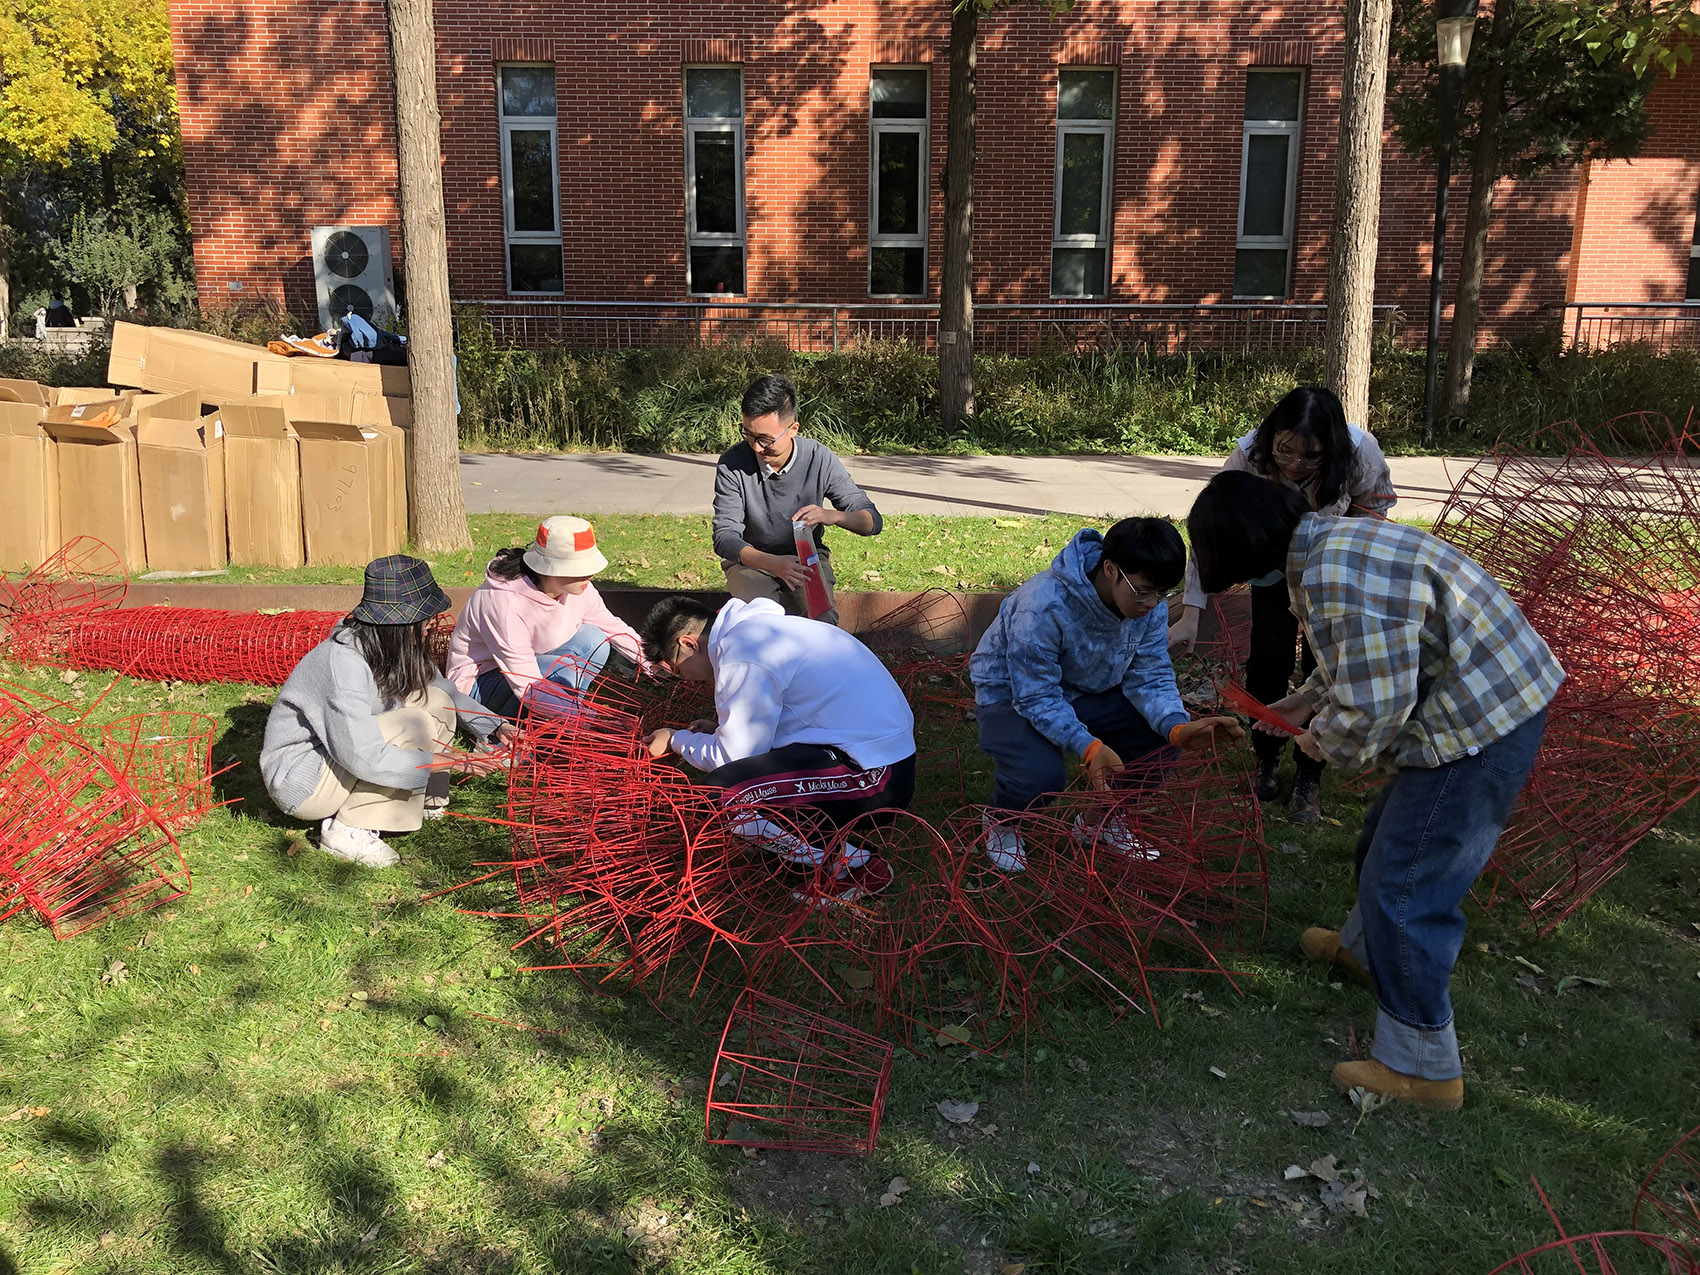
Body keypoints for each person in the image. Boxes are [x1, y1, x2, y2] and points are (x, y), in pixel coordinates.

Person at [1188, 470, 1563, 1110]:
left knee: (1408, 887)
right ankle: (1365, 954)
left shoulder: (1334, 579)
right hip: (1482, 696)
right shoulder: (1327, 546)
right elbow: (1357, 665)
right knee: (1383, 844)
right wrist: (1294, 706)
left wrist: (1323, 743)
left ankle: (1425, 1067)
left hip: (1483, 723)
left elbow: (1373, 705)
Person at [1169, 386, 1396, 825]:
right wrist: (1191, 611)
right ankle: (1266, 763)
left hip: (1335, 576)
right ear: (1271, 436)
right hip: (1272, 573)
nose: (1293, 465)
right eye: (1285, 451)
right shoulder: (1249, 454)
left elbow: (1375, 509)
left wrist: (1339, 559)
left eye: (1310, 458)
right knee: (1268, 662)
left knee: (1327, 666)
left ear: (1332, 450)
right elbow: (1214, 530)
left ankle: (1309, 775)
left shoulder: (1360, 452)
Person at [970, 517, 1244, 871]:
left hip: (1088, 690)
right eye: (1144, 591)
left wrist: (1176, 725)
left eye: (1163, 593)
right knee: (1041, 776)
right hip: (1010, 695)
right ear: (1111, 569)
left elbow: (1150, 673)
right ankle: (1001, 820)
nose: (1152, 604)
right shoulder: (1042, 605)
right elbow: (1035, 694)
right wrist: (1088, 747)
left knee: (1160, 744)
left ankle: (1100, 821)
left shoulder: (1150, 603)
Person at [639, 595, 916, 904]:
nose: (688, 680)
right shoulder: (759, 631)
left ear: (689, 644)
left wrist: (675, 739)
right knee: (744, 787)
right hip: (875, 760)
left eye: (677, 670)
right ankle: (803, 841)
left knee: (723, 798)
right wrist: (720, 732)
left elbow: (732, 758)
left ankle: (858, 867)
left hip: (874, 778)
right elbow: (772, 725)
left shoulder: (743, 653)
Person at [261, 556, 508, 868]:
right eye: (424, 619)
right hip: (303, 780)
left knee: (434, 699)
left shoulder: (393, 647)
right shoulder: (342, 664)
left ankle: (429, 795)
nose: (430, 625)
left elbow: (445, 692)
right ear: (402, 624)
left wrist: (496, 726)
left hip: (340, 754)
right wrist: (450, 761)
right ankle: (349, 829)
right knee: (411, 722)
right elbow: (362, 756)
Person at [712, 373, 882, 626]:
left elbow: (872, 521)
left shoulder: (818, 458)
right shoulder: (732, 463)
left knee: (822, 623)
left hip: (807, 559)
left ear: (793, 430)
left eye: (766, 440)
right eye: (748, 435)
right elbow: (725, 537)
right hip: (751, 561)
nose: (756, 448)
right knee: (758, 625)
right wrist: (773, 563)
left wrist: (833, 516)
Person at [446, 516, 651, 717]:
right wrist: (588, 719)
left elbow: (611, 626)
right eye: (580, 569)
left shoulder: (578, 587)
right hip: (480, 687)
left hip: (530, 664)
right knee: (563, 670)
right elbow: (526, 683)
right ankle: (552, 719)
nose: (590, 576)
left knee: (595, 640)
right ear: (549, 570)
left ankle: (563, 712)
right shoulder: (505, 603)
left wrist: (655, 661)